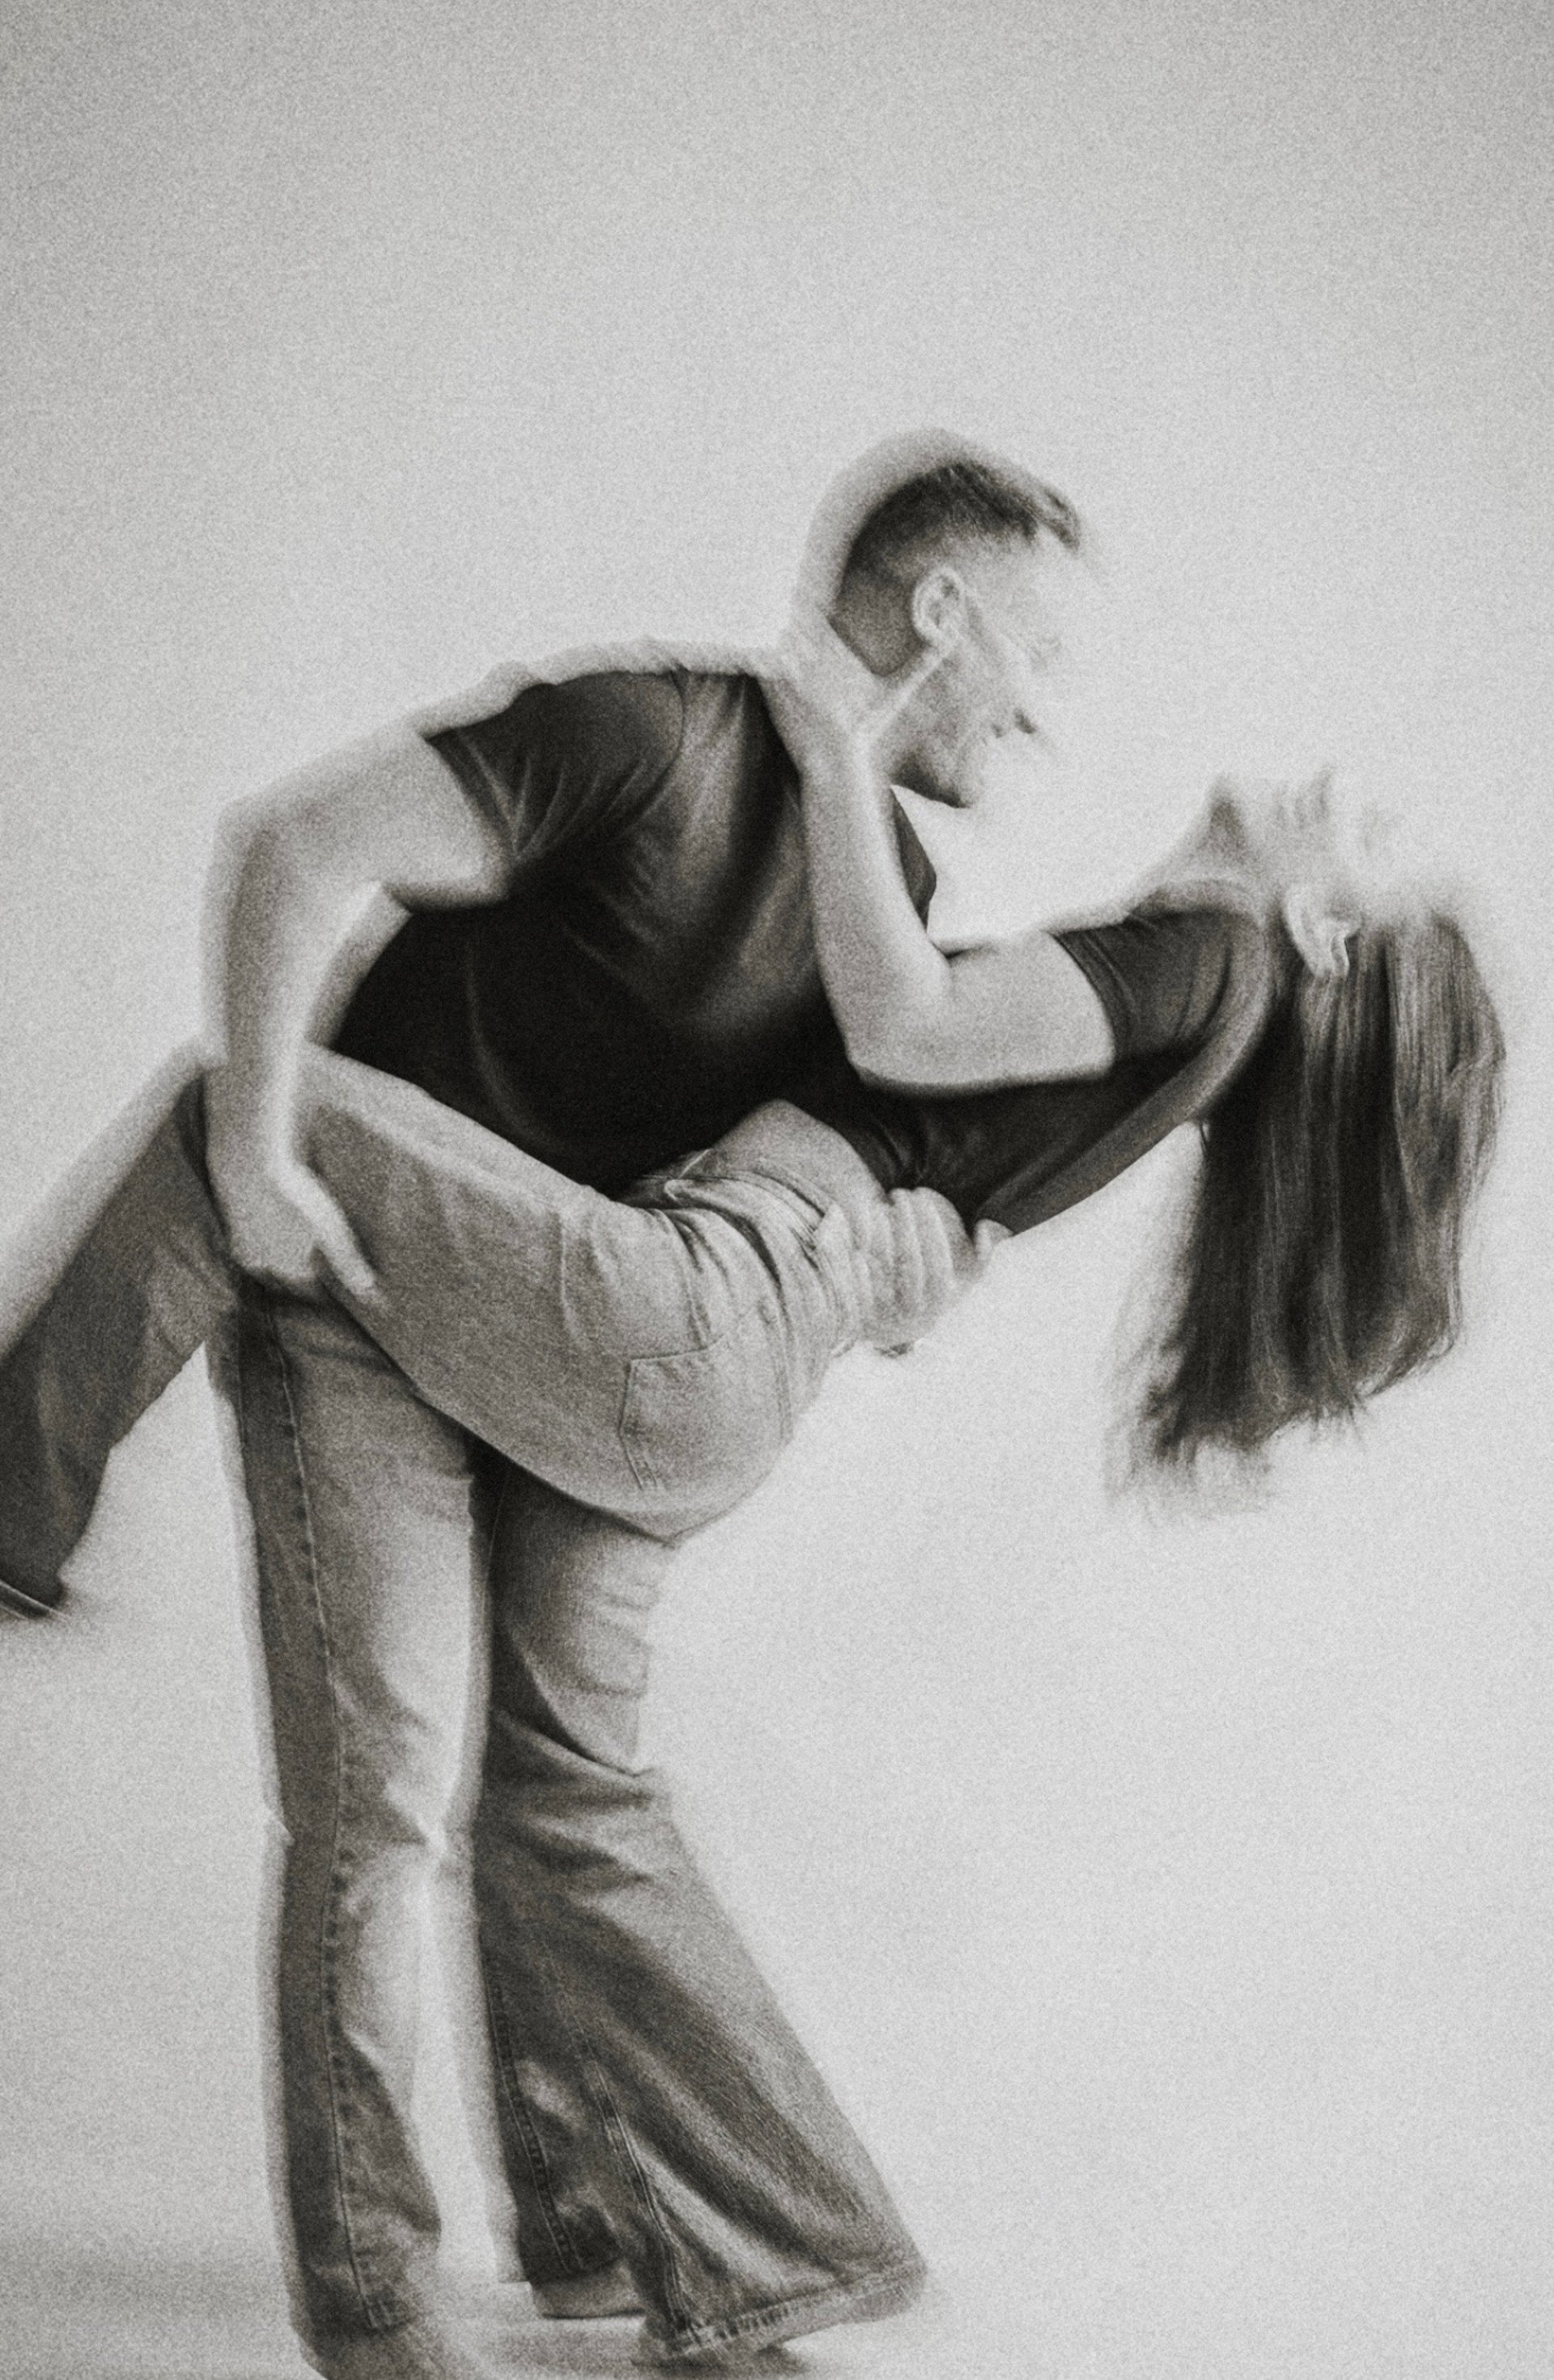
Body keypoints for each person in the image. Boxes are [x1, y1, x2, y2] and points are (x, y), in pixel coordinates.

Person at [0, 763, 1504, 2373]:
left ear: (1325, 929)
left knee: (240, 1107)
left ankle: (11, 1514)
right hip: (730, 1342)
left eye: (1376, 833)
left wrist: (834, 742)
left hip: (694, 1290)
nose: (1352, 790)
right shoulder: (1190, 1005)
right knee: (563, 1787)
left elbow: (906, 1025)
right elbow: (934, 1145)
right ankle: (682, 2256)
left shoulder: (1213, 953)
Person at [1, 441, 1096, 2380]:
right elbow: (295, 844)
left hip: (570, 1332)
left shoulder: (892, 896)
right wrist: (258, 1151)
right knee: (386, 1799)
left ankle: (615, 2246)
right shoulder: (645, 735)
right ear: (943, 613)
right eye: (1037, 656)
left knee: (565, 1792)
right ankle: (378, 2303)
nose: (1043, 713)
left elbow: (822, 1154)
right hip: (360, 1306)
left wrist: (903, 1260)